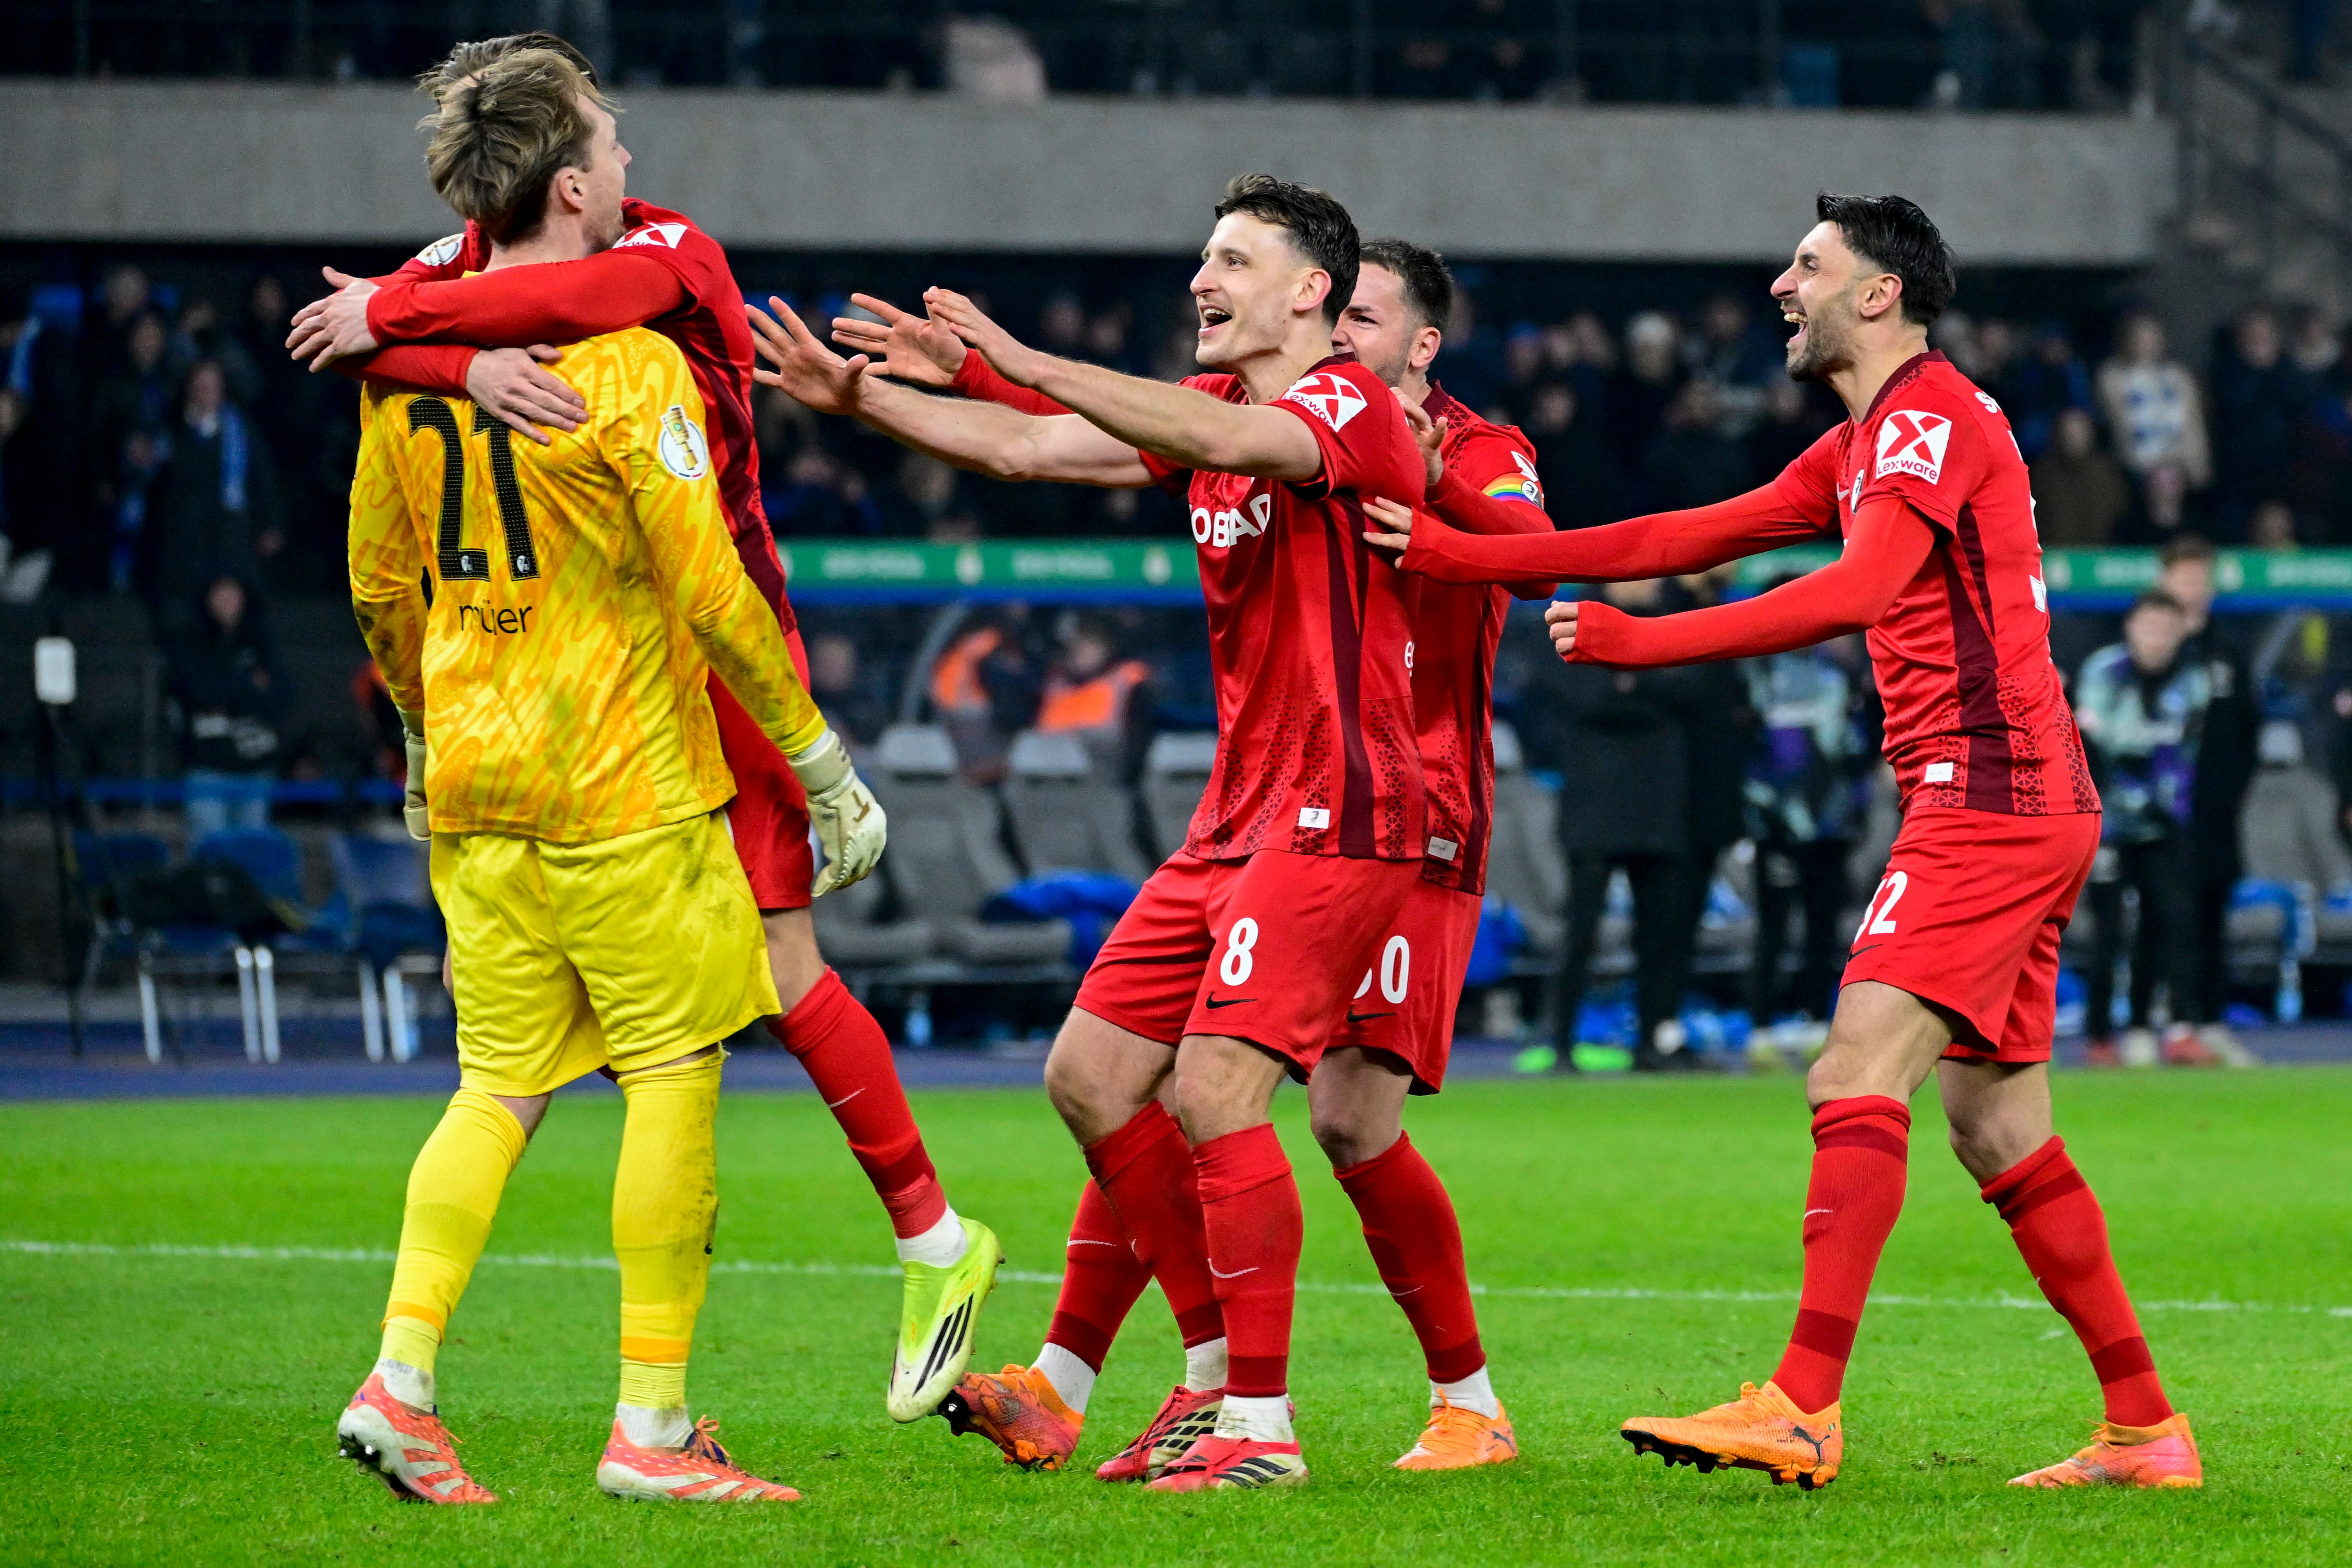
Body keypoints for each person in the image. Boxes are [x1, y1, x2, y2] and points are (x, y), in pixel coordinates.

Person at [1375, 192, 2201, 1490]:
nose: (1780, 284)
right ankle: (2149, 1427)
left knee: (1851, 1072)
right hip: (2007, 794)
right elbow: (1682, 536)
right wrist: (1463, 551)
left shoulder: (1927, 416)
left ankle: (1805, 1403)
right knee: (1997, 1127)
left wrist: (1645, 639)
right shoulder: (1868, 436)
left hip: (1992, 791)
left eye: (1807, 266)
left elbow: (1860, 589)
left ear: (1879, 294)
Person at [284, 31, 1001, 1422]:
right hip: (587, 671)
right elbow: (408, 334)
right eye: (609, 136)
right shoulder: (468, 278)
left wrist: (411, 329)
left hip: (716, 635)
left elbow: (566, 295)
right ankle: (642, 1389)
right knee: (624, 1037)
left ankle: (928, 1247)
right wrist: (445, 360)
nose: (632, 158)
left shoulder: (674, 253)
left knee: (767, 978)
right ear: (563, 175)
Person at [754, 174, 1429, 1492]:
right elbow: (1028, 451)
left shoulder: (1343, 402)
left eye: (1232, 257)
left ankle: (1261, 1428)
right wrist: (868, 401)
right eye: (1202, 256)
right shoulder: (1222, 413)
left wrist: (1010, 354)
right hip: (1236, 813)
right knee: (1089, 1073)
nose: (1201, 278)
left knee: (1221, 1086)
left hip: (1341, 808)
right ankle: (1210, 1368)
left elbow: (1224, 444)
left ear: (1313, 293)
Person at [850, 237, 1550, 1475]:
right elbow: (1099, 437)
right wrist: (934, 381)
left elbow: (1530, 539)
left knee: (1342, 1117)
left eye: (1367, 320)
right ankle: (1106, 1378)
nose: (1345, 340)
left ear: (1416, 344)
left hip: (1412, 814)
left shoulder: (1465, 444)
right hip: (1260, 808)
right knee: (1145, 1080)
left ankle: (1460, 1398)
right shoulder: (1256, 409)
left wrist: (1446, 516)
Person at [2074, 592, 2214, 1068]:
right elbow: (2097, 741)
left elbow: (2184, 750)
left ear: (2180, 631)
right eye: (2147, 626)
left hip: (2165, 821)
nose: (2154, 638)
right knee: (2107, 931)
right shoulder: (2100, 672)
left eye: (2164, 628)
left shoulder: (2194, 679)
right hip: (2107, 822)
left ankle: (2174, 1029)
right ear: (2130, 627)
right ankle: (2098, 1037)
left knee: (2173, 921)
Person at [2157, 536, 2262, 1067]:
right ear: (2164, 580)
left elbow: (2248, 731)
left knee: (2212, 912)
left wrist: (2230, 796)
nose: (2193, 587)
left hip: (2216, 813)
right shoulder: (2150, 646)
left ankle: (2212, 1022)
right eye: (2184, 576)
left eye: (2201, 577)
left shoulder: (2229, 651)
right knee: (2166, 917)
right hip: (2158, 815)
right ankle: (2166, 1022)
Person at [1745, 628, 1872, 1025]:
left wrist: (1854, 807)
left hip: (1829, 828)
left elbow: (1856, 747)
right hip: (1777, 828)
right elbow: (1749, 751)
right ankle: (1762, 1026)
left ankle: (1817, 1020)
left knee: (1823, 930)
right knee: (1774, 929)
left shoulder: (1837, 677)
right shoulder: (1760, 677)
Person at [141, 358, 284, 622]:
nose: (206, 390)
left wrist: (270, 523)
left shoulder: (240, 432)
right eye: (201, 384)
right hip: (182, 543)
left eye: (212, 384)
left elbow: (262, 478)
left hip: (228, 539)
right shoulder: (172, 431)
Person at [170, 574, 291, 839]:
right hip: (207, 768)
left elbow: (282, 696)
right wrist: (248, 685)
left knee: (250, 859)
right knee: (209, 856)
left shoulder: (263, 642)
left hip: (255, 768)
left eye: (234, 594)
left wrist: (227, 692)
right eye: (220, 594)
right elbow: (196, 692)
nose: (228, 601)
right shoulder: (190, 642)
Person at [2030, 406, 2133, 546]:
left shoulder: (2109, 474)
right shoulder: (2041, 475)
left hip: (2102, 555)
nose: (2074, 438)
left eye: (2079, 432)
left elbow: (2118, 519)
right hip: (2054, 556)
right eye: (2069, 433)